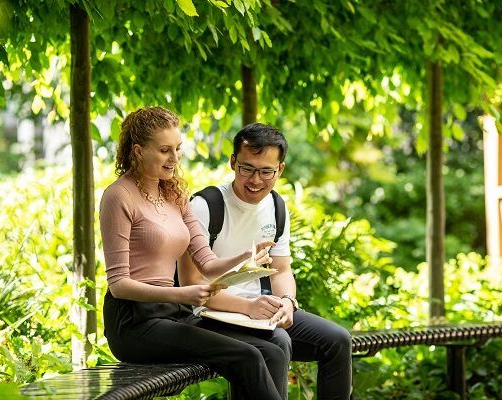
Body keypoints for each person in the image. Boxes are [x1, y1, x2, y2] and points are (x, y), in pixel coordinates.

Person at [99, 106, 283, 400]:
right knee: (245, 356)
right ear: (138, 151)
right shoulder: (118, 196)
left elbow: (208, 264)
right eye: (164, 150)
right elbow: (119, 285)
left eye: (177, 149)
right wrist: (182, 294)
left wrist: (246, 257)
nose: (174, 159)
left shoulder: (175, 194)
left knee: (271, 351)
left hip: (174, 315)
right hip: (135, 323)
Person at [178, 123, 353, 400]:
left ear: (280, 169)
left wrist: (286, 301)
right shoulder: (205, 205)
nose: (255, 180)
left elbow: (281, 270)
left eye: (266, 171)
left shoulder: (276, 206)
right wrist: (248, 307)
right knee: (278, 342)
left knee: (337, 340)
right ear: (233, 162)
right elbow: (192, 285)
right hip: (209, 315)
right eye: (247, 168)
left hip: (259, 310)